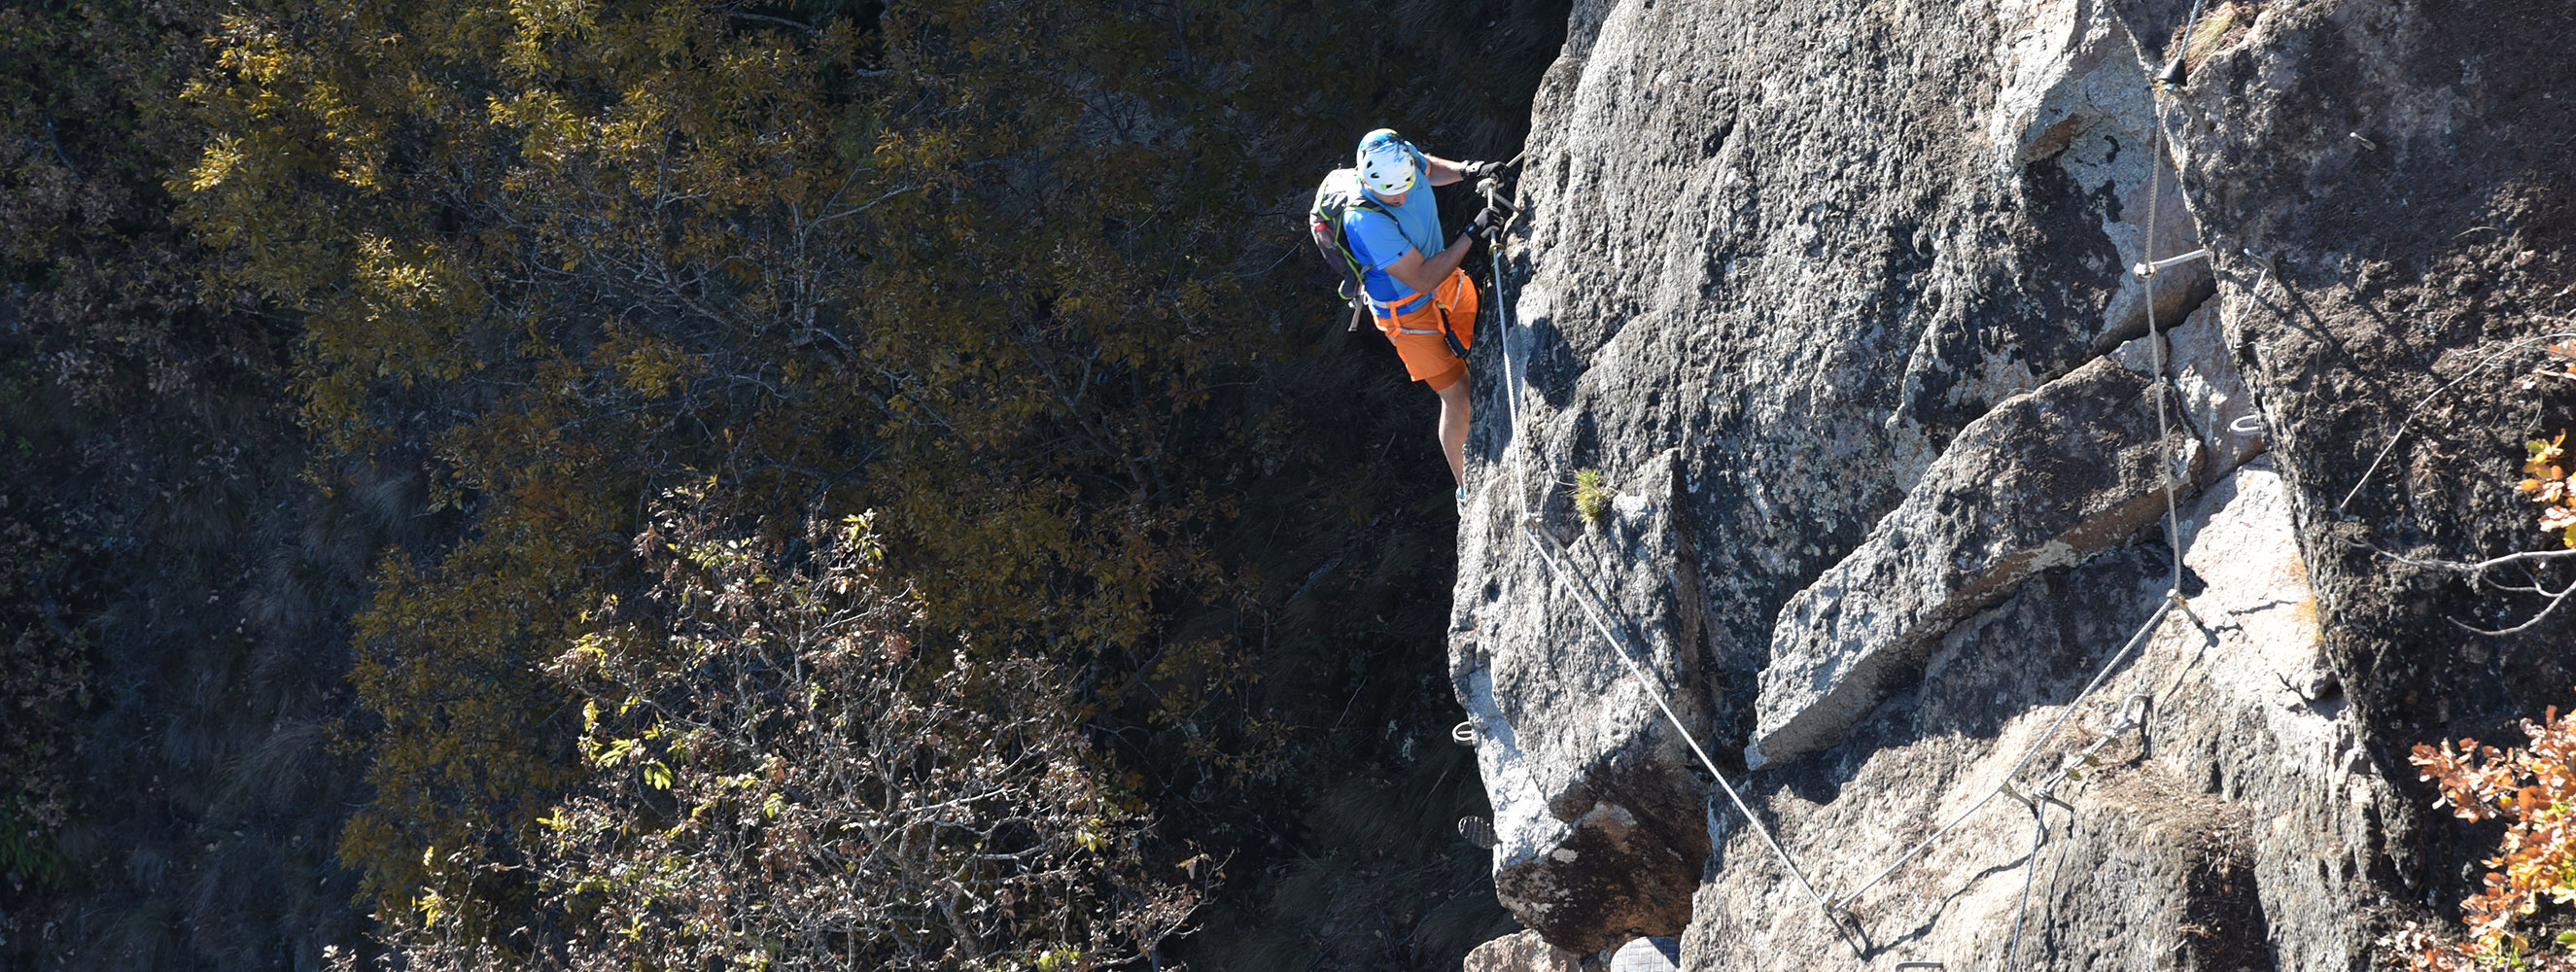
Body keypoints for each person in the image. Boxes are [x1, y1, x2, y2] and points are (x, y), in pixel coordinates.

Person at [1340, 128, 1514, 501]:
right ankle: (1466, 490)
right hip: (1409, 319)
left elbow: (1428, 167)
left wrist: (1470, 170)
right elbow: (1420, 278)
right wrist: (1472, 232)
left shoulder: (1397, 153)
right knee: (1458, 395)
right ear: (1370, 183)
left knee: (1494, 350)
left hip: (1446, 284)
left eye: (1406, 185)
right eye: (1392, 193)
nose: (1402, 195)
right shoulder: (1365, 220)